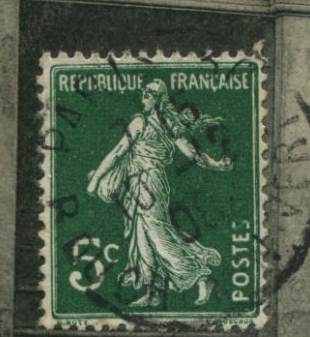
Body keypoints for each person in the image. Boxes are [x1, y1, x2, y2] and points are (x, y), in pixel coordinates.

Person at [86, 79, 232, 307]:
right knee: (143, 237)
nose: (144, 95)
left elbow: (118, 153)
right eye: (144, 92)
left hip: (149, 183)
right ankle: (152, 291)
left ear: (160, 99)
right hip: (141, 183)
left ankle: (200, 275)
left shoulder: (149, 123)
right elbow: (119, 153)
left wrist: (94, 182)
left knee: (157, 234)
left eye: (150, 93)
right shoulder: (156, 123)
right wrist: (216, 164)